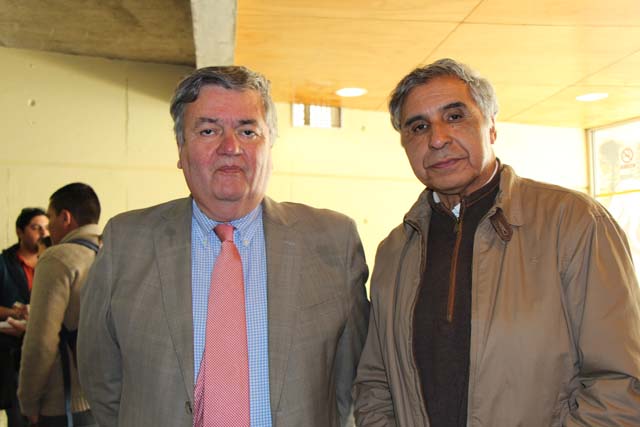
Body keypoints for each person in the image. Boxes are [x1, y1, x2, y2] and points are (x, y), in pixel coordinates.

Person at [353, 58, 640, 426]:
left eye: (455, 116)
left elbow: (619, 384)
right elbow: (376, 385)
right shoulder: (395, 250)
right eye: (419, 127)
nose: (437, 139)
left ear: (491, 126)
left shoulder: (574, 222)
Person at [78, 66, 369, 427]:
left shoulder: (334, 241)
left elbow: (353, 381)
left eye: (248, 131)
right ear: (181, 149)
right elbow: (102, 380)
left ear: (270, 147)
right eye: (208, 130)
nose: (230, 147)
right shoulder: (126, 242)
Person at [18, 183, 101, 427]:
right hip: (110, 396)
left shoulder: (57, 258)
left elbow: (41, 342)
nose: (48, 229)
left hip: (64, 402)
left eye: (50, 217)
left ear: (65, 217)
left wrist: (28, 402)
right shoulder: (114, 252)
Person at [1, 208, 48, 427]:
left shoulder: (52, 261)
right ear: (20, 231)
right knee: (19, 416)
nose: (43, 233)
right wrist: (17, 312)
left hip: (45, 352)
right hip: (12, 352)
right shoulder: (4, 263)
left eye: (46, 227)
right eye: (36, 228)